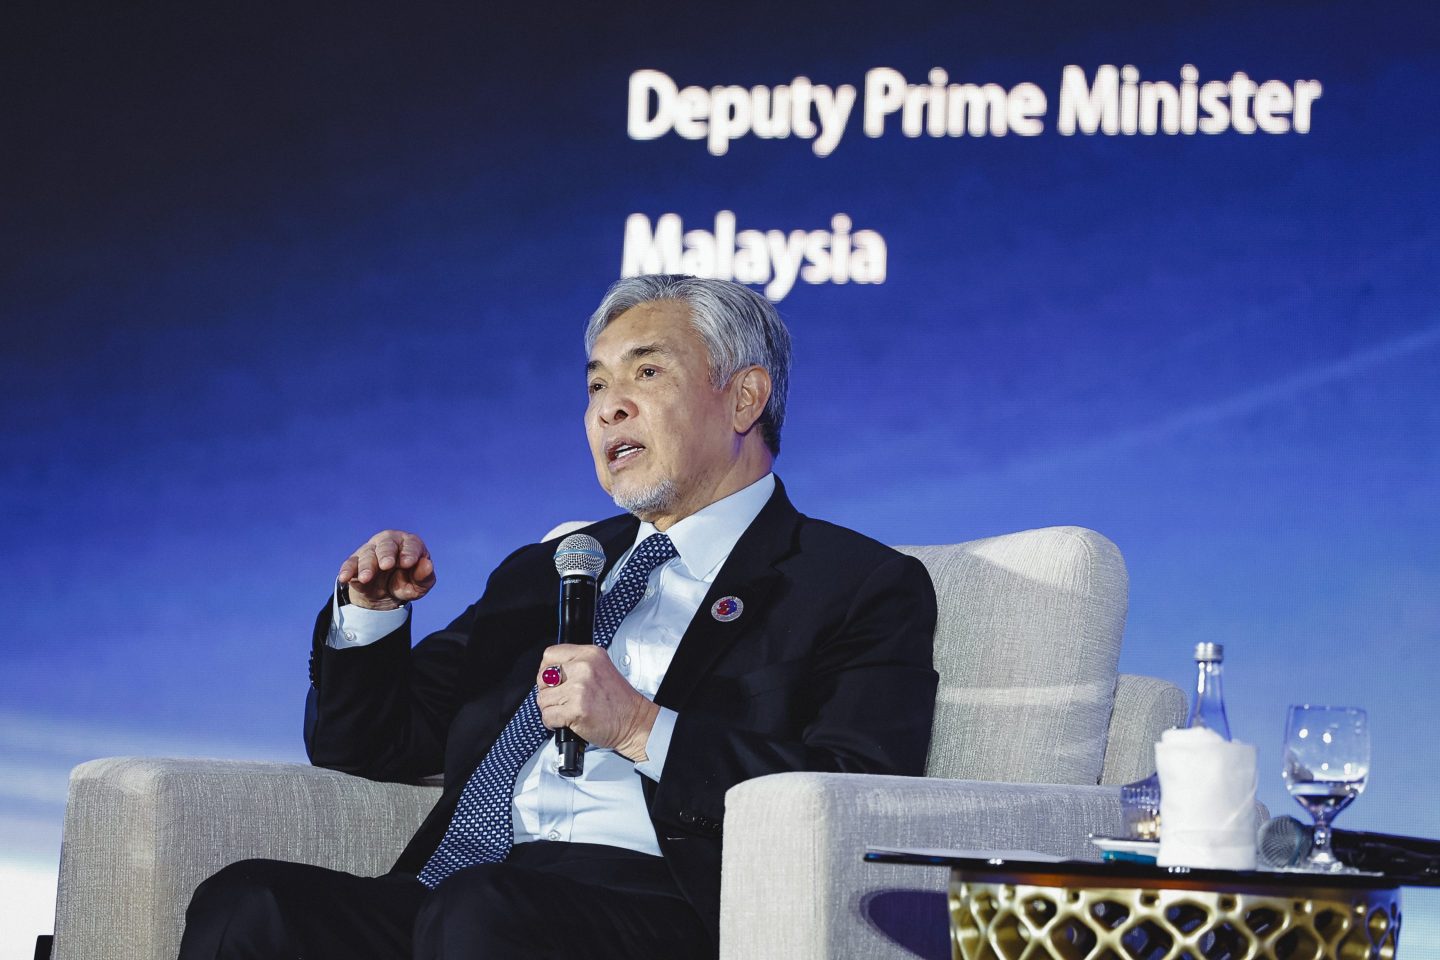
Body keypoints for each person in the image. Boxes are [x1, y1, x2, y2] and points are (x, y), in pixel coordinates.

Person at [178, 275, 938, 960]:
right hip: (467, 887)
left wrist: (639, 726)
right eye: (597, 384)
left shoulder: (854, 583)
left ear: (743, 398)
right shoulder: (551, 567)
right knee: (251, 904)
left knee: (481, 914)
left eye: (647, 372)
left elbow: (857, 796)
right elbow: (368, 744)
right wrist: (369, 622)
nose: (610, 407)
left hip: (664, 907)